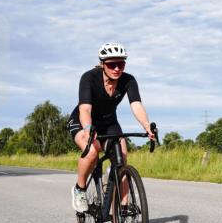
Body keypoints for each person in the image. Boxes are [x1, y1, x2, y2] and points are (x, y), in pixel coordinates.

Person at [67, 43, 156, 213]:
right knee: (92, 151)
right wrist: (88, 128)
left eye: (121, 64)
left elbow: (136, 104)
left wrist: (146, 126)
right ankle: (79, 189)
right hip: (83, 120)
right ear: (102, 64)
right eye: (112, 64)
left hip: (109, 122)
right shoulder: (89, 78)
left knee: (122, 159)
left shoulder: (128, 80)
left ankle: (124, 208)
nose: (117, 69)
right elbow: (85, 109)